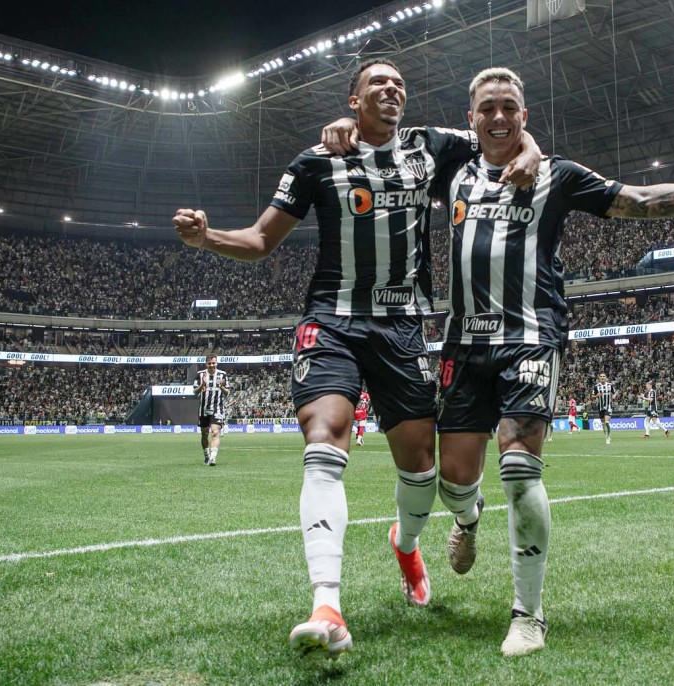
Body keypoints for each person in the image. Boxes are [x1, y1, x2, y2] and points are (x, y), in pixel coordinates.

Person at [174, 58, 539, 660]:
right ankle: (327, 604)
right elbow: (261, 240)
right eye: (378, 83)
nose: (392, 88)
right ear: (353, 100)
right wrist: (207, 237)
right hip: (332, 321)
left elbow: (500, 131)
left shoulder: (431, 146)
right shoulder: (316, 161)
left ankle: (408, 544)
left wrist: (532, 148)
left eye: (399, 82)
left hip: (402, 327)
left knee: (422, 470)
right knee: (324, 438)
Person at [432, 67, 674, 657]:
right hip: (463, 345)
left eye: (509, 107)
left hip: (531, 336)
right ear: (471, 118)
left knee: (519, 469)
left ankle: (529, 615)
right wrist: (342, 127)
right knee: (454, 483)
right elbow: (386, 140)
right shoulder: (452, 166)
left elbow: (639, 201)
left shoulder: (558, 176)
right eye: (487, 107)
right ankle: (468, 517)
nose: (498, 116)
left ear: (524, 116)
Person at [193, 354, 229, 465]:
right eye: (209, 363)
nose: (212, 365)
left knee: (215, 432)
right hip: (203, 409)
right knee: (204, 433)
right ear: (206, 364)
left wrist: (221, 387)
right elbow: (195, 392)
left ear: (217, 363)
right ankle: (207, 456)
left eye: (214, 363)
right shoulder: (200, 374)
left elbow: (227, 393)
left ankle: (213, 457)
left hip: (217, 409)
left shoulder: (222, 374)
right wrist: (202, 384)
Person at [593, 373, 614, 444]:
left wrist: (614, 396)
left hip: (608, 406)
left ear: (606, 378)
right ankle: (607, 436)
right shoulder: (596, 387)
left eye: (604, 376)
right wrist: (597, 395)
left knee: (607, 421)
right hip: (600, 407)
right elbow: (592, 396)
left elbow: (614, 393)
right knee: (603, 424)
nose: (602, 377)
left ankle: (608, 437)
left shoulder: (610, 385)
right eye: (601, 376)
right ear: (599, 378)